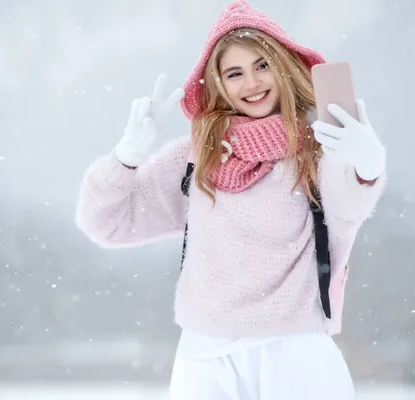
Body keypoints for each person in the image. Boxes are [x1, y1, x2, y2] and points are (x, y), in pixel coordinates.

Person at [75, 0, 387, 398]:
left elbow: (349, 204)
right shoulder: (197, 156)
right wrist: (127, 156)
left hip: (294, 354)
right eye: (234, 73)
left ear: (282, 65)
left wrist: (367, 165)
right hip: (205, 358)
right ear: (218, 83)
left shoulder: (319, 148)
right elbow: (105, 222)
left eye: (262, 65)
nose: (252, 83)